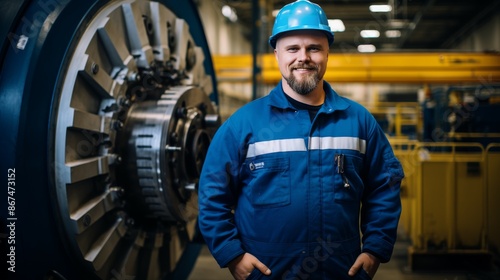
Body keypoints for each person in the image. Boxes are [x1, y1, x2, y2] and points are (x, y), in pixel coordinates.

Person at [198, 0, 404, 279]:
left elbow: (384, 186)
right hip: (267, 272)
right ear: (277, 54)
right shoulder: (243, 125)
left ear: (327, 53)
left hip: (341, 270)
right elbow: (212, 194)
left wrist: (375, 249)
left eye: (314, 48)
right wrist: (232, 254)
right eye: (292, 48)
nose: (303, 57)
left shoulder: (359, 122)